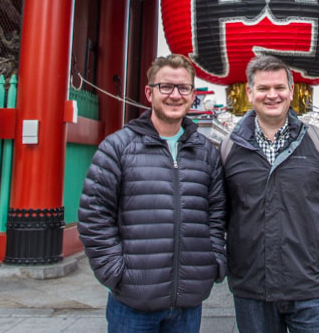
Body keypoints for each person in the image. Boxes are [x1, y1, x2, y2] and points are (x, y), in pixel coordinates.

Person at [78, 54, 226, 332]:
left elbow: (216, 214)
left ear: (193, 94)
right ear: (149, 92)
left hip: (188, 299)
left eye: (183, 88)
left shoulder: (206, 153)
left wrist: (214, 262)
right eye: (165, 87)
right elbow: (94, 216)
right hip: (133, 300)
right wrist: (115, 272)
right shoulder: (118, 148)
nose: (175, 95)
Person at [223, 54, 319, 333]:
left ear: (291, 91)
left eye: (279, 87)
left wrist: (315, 245)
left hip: (309, 284)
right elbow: (221, 210)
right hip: (251, 285)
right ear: (250, 92)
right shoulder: (229, 149)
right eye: (264, 88)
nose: (272, 95)